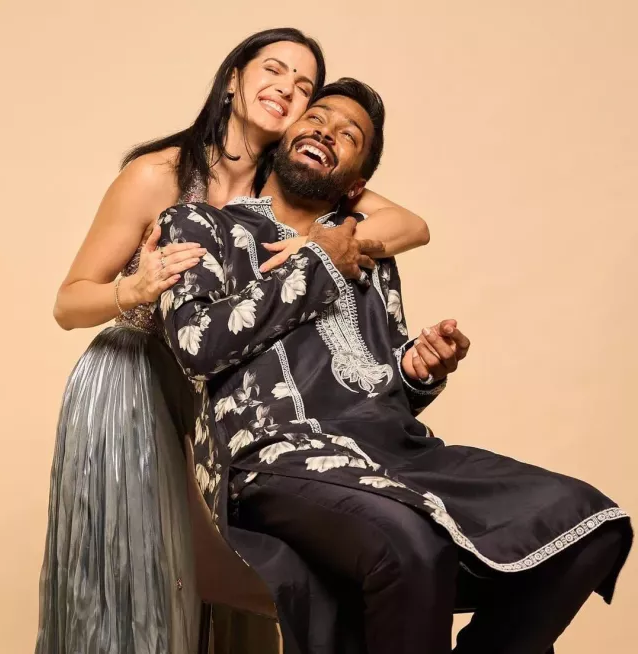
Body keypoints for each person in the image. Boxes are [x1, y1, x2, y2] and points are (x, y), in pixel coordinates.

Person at [158, 78, 633, 654]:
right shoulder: (205, 227)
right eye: (316, 118)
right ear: (283, 139)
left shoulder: (373, 257)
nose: (325, 132)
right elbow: (196, 345)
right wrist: (317, 261)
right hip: (275, 456)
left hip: (397, 455)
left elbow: (379, 382)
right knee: (409, 545)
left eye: (348, 135)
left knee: (589, 526)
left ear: (356, 185)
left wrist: (418, 369)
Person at [36, 28, 432, 654]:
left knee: (232, 573)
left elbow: (412, 225)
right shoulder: (159, 174)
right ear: (232, 79)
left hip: (223, 391)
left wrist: (327, 241)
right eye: (273, 70)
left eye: (303, 85)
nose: (287, 89)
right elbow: (68, 302)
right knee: (139, 576)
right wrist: (135, 288)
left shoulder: (284, 181)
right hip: (135, 384)